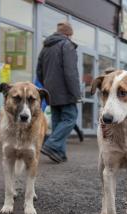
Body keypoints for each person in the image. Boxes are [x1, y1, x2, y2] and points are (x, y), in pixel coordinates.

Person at [36, 22, 80, 163]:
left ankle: (59, 154)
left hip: (50, 91)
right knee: (70, 118)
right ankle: (51, 144)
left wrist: (47, 86)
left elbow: (39, 72)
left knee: (57, 121)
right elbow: (70, 72)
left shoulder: (45, 48)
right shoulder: (66, 45)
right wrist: (76, 94)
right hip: (65, 91)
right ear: (68, 34)